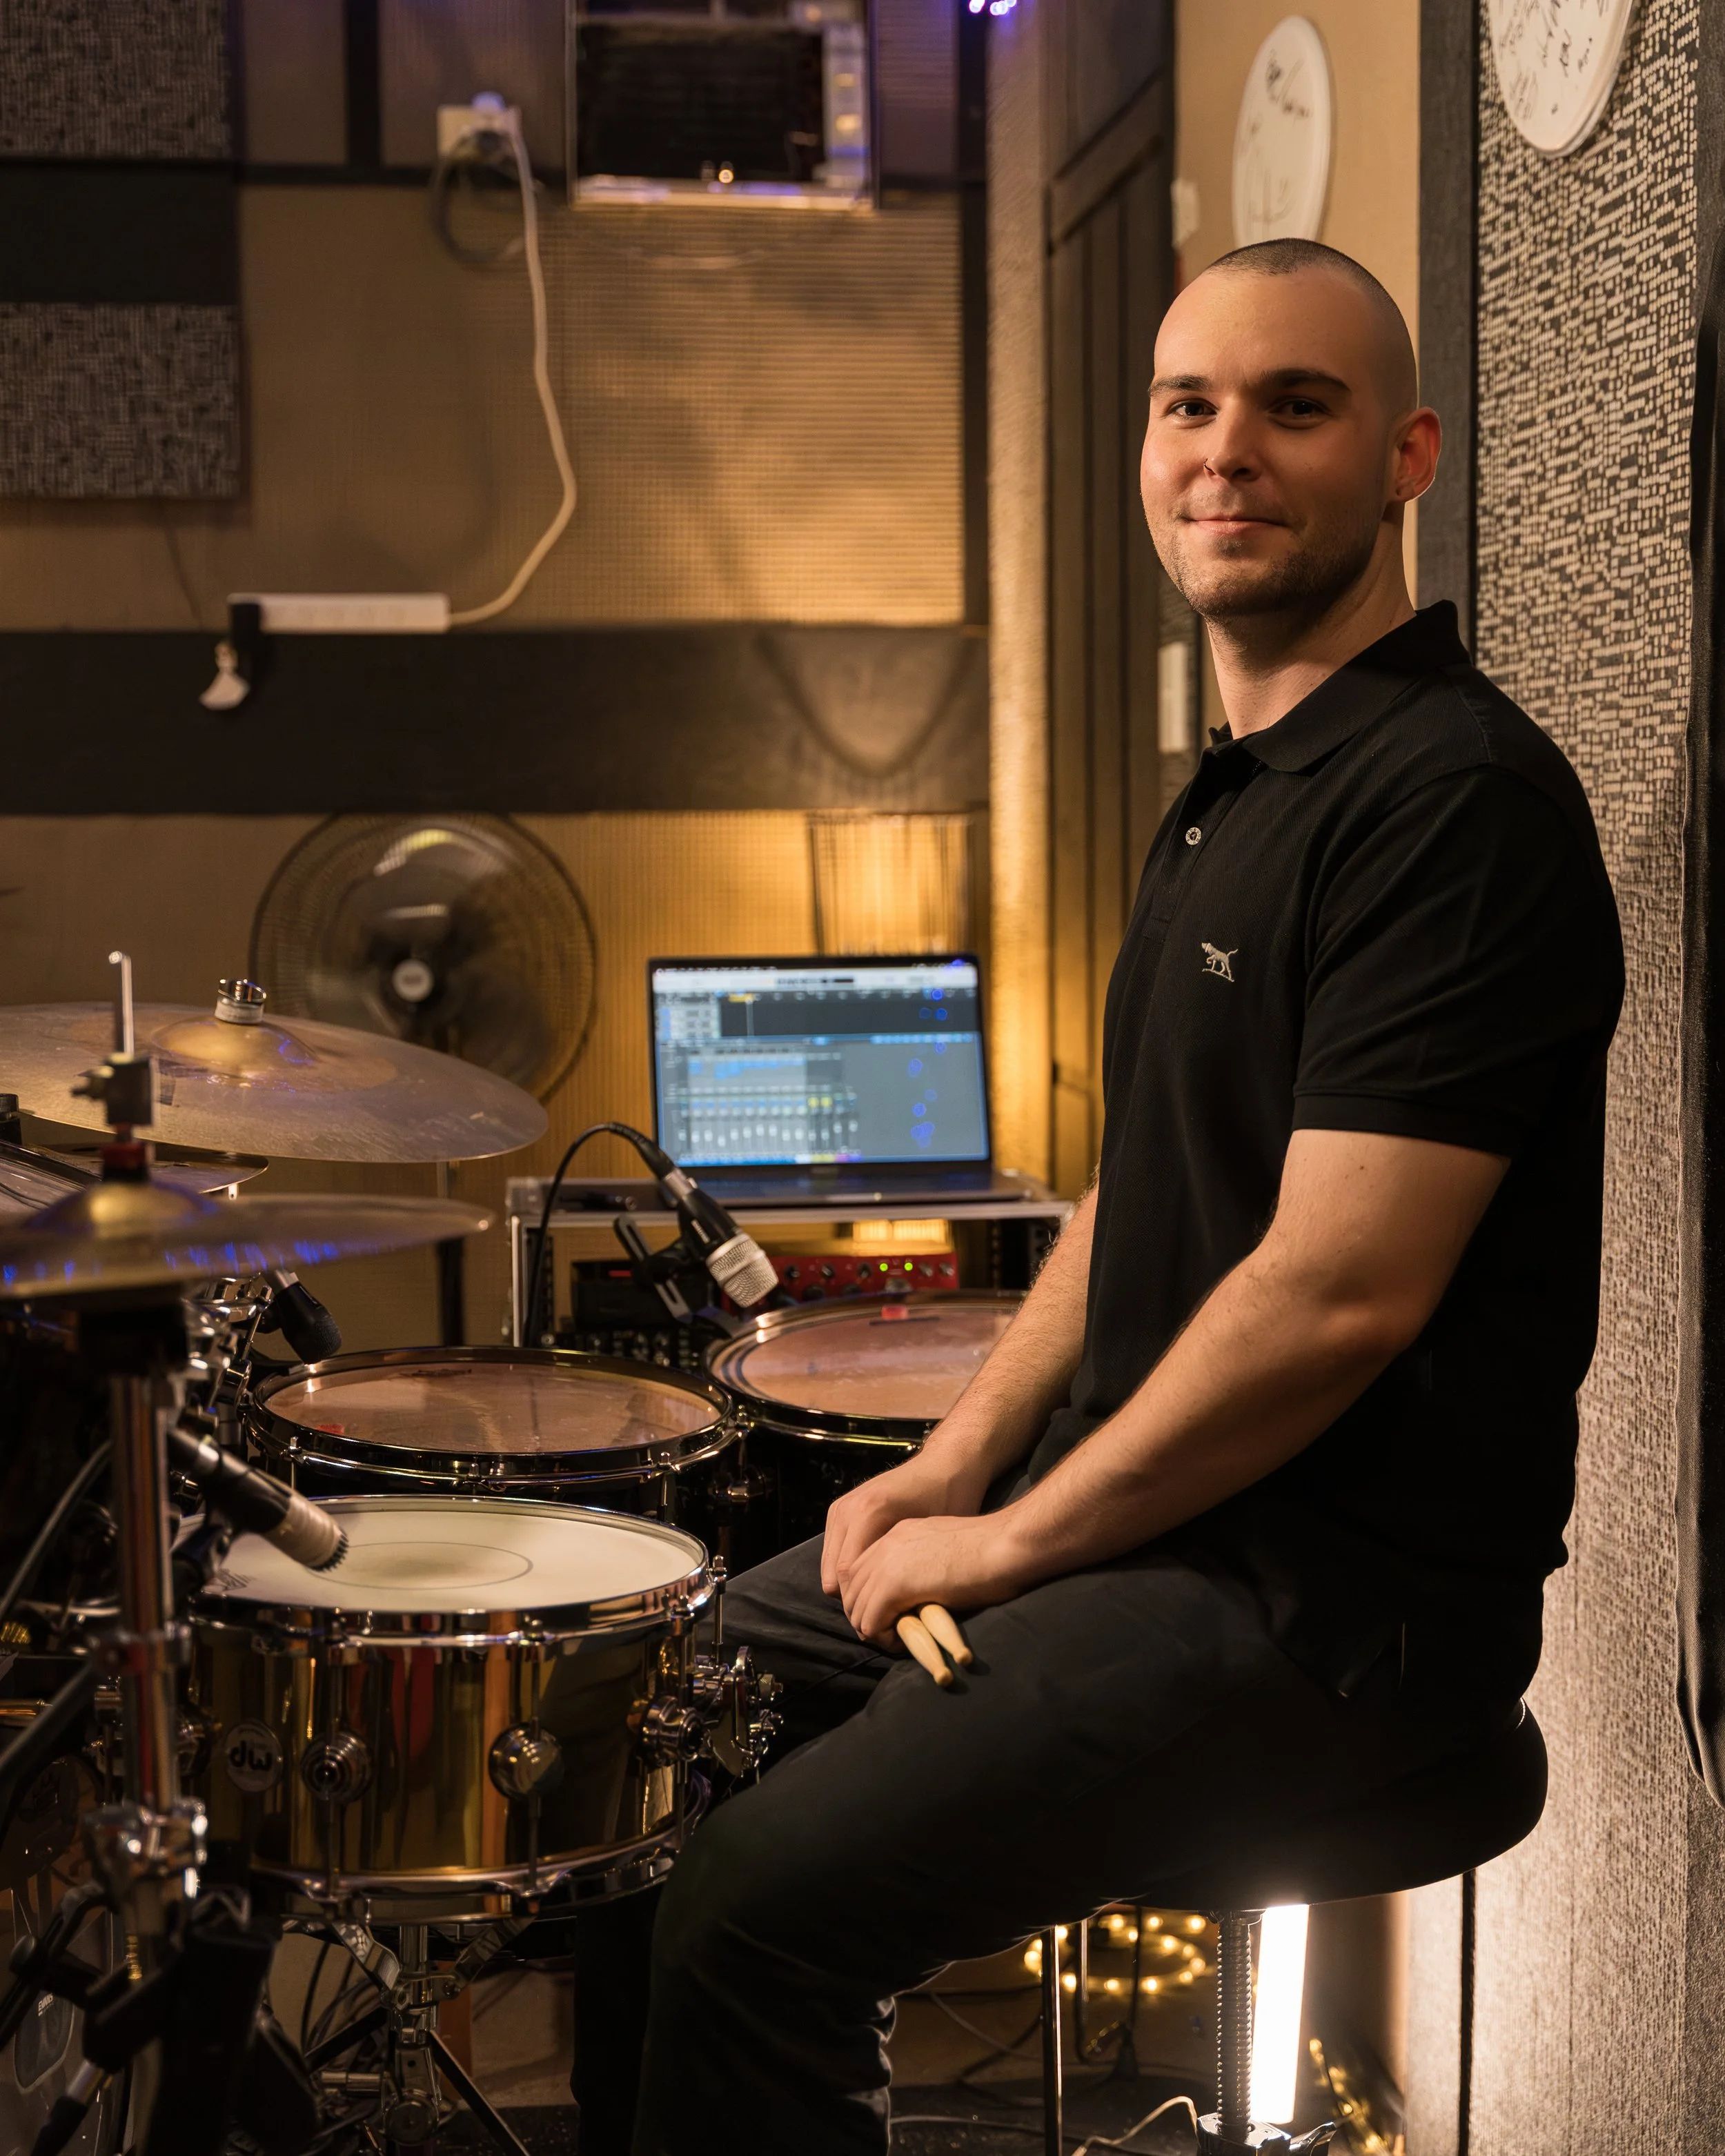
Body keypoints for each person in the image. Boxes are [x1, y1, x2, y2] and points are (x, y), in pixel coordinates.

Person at [616, 239, 1624, 2155]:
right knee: (662, 1703)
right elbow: (1128, 1191)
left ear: (1407, 452)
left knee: (753, 1914)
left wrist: (1003, 1549)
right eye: (1187, 404)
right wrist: (953, 1464)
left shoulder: (1452, 799)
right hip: (1161, 1548)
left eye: (1292, 404)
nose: (1224, 448)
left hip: (1325, 1607)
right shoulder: (1235, 786)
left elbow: (1335, 1292)